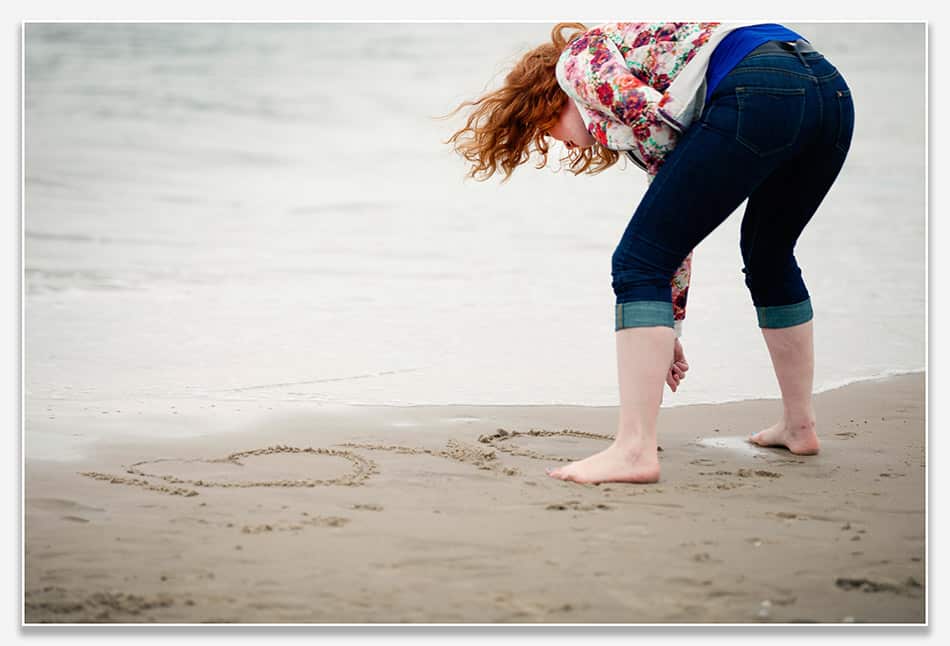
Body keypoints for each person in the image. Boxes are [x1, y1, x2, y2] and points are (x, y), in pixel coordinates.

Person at [446, 22, 854, 484]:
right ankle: (799, 426)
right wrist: (667, 326)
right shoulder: (635, 71)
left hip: (763, 86)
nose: (557, 142)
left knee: (635, 263)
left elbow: (651, 116)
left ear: (547, 98)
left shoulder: (575, 63)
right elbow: (674, 234)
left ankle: (634, 449)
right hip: (828, 91)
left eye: (544, 128)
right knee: (768, 255)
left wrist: (658, 316)